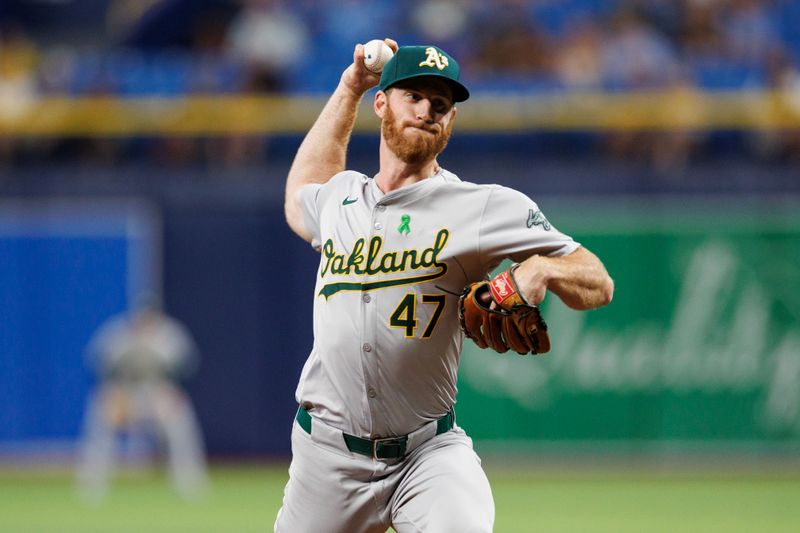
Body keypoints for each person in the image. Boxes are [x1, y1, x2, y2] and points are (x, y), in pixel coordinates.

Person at [276, 39, 614, 532]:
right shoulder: (340, 198)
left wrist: (541, 269)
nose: (427, 110)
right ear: (382, 103)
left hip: (427, 454)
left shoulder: (479, 206)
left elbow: (598, 281)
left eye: (441, 104)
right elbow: (299, 194)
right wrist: (349, 87)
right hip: (326, 457)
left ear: (450, 123)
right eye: (413, 95)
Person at [75, 293, 208, 502]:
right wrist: (116, 395)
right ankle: (92, 485)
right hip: (125, 393)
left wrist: (172, 395)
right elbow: (96, 368)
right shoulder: (117, 335)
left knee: (181, 418)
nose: (145, 324)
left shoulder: (170, 336)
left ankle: (189, 483)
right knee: (100, 411)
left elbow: (186, 372)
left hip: (157, 392)